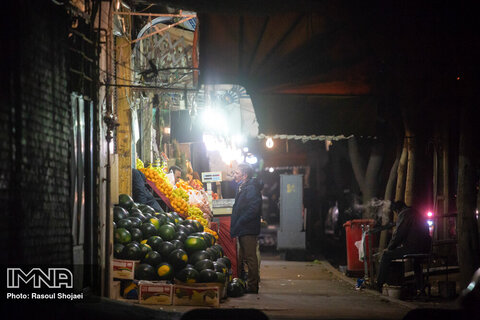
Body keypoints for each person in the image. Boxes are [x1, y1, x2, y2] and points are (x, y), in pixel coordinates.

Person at [376, 200, 431, 292]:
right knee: (416, 263)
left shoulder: (405, 214)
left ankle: (379, 284)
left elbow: (399, 234)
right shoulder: (414, 212)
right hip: (425, 247)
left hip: (413, 247)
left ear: (397, 210)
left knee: (386, 256)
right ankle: (420, 287)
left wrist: (390, 248)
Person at [230, 163, 263, 294]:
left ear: (245, 175)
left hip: (248, 228)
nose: (234, 175)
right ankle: (245, 283)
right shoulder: (243, 187)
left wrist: (241, 220)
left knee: (250, 257)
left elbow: (253, 208)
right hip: (243, 227)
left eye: (237, 173)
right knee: (243, 256)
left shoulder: (251, 188)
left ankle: (253, 285)